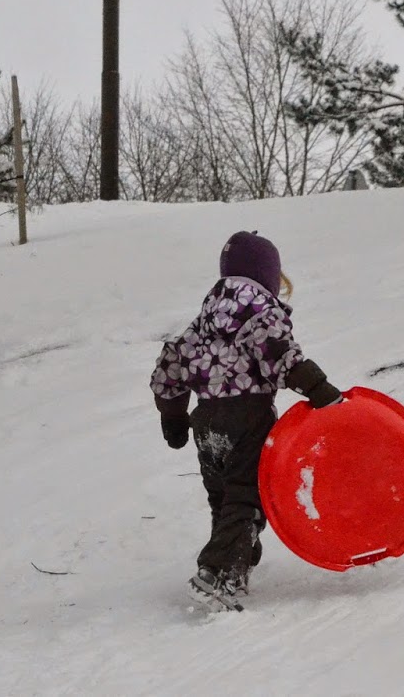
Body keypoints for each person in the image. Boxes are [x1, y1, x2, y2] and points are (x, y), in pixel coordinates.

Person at [150, 231, 343, 611]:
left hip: (206, 421)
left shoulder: (202, 321)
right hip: (248, 417)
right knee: (248, 497)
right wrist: (321, 390)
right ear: (267, 275)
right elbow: (281, 356)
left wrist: (173, 417)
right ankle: (216, 572)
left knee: (224, 499)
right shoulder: (260, 312)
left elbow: (168, 368)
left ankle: (234, 573)